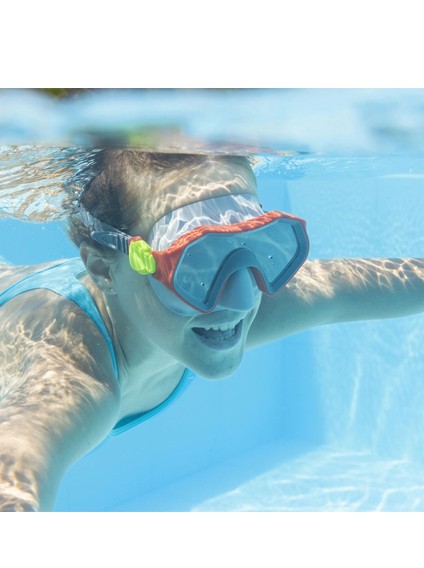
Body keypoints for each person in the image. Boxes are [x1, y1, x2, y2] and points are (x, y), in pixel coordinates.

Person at [1, 149, 424, 512]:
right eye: (196, 262)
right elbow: (16, 470)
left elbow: (389, 282)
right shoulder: (67, 374)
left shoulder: (205, 311)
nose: (242, 299)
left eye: (258, 247)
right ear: (101, 266)